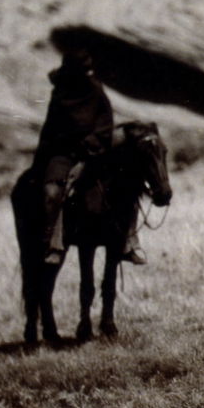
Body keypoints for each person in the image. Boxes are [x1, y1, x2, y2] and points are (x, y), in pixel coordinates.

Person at [34, 45, 139, 265]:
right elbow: (51, 127)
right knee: (52, 192)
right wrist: (44, 156)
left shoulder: (96, 91)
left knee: (128, 183)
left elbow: (105, 123)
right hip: (63, 153)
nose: (88, 74)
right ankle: (53, 245)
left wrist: (90, 145)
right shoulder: (59, 94)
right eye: (83, 70)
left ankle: (129, 241)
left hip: (94, 151)